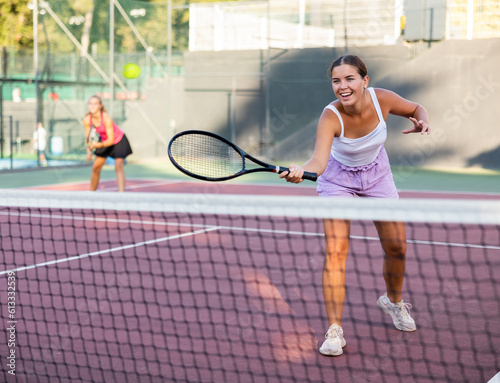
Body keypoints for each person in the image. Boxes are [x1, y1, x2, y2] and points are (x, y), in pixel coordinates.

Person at [280, 55, 430, 356]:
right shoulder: (330, 116)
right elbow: (318, 162)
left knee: (397, 247)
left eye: (349, 79)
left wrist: (422, 119)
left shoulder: (382, 100)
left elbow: (415, 107)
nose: (342, 86)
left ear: (365, 80)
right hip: (336, 179)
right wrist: (301, 170)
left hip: (377, 175)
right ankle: (335, 329)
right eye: (336, 81)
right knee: (336, 250)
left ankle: (393, 302)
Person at [83, 95, 133, 192]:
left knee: (118, 166)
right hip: (104, 142)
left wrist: (98, 145)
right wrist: (89, 151)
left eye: (95, 104)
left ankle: (121, 195)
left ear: (100, 106)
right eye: (90, 104)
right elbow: (88, 137)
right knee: (96, 167)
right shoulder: (87, 119)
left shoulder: (106, 118)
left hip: (119, 141)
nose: (92, 106)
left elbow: (111, 140)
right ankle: (91, 194)